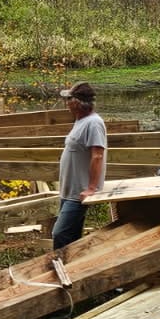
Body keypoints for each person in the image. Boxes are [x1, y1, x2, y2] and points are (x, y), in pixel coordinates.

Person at [51, 81, 107, 250]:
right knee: (73, 235)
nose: (66, 103)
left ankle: (59, 265)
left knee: (59, 234)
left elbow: (97, 155)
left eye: (68, 99)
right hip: (70, 190)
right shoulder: (81, 120)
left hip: (79, 191)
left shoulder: (93, 123)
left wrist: (91, 188)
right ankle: (73, 268)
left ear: (76, 102)